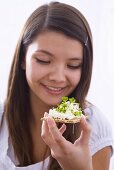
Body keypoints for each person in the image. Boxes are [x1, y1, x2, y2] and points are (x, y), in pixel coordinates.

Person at [0, 1, 113, 170]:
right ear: (23, 58)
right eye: (44, 61)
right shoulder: (2, 120)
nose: (58, 77)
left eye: (73, 65)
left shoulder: (94, 129)